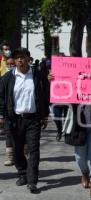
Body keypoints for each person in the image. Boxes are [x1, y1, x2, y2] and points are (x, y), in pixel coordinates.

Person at [0, 48, 49, 193]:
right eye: (17, 58)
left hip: (33, 119)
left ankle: (32, 180)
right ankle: (22, 173)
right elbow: (1, 98)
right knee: (17, 150)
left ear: (29, 59)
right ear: (14, 61)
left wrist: (45, 114)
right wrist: (1, 116)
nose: (20, 60)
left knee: (34, 150)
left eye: (23, 57)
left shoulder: (38, 75)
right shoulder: (7, 78)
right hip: (14, 119)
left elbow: (45, 95)